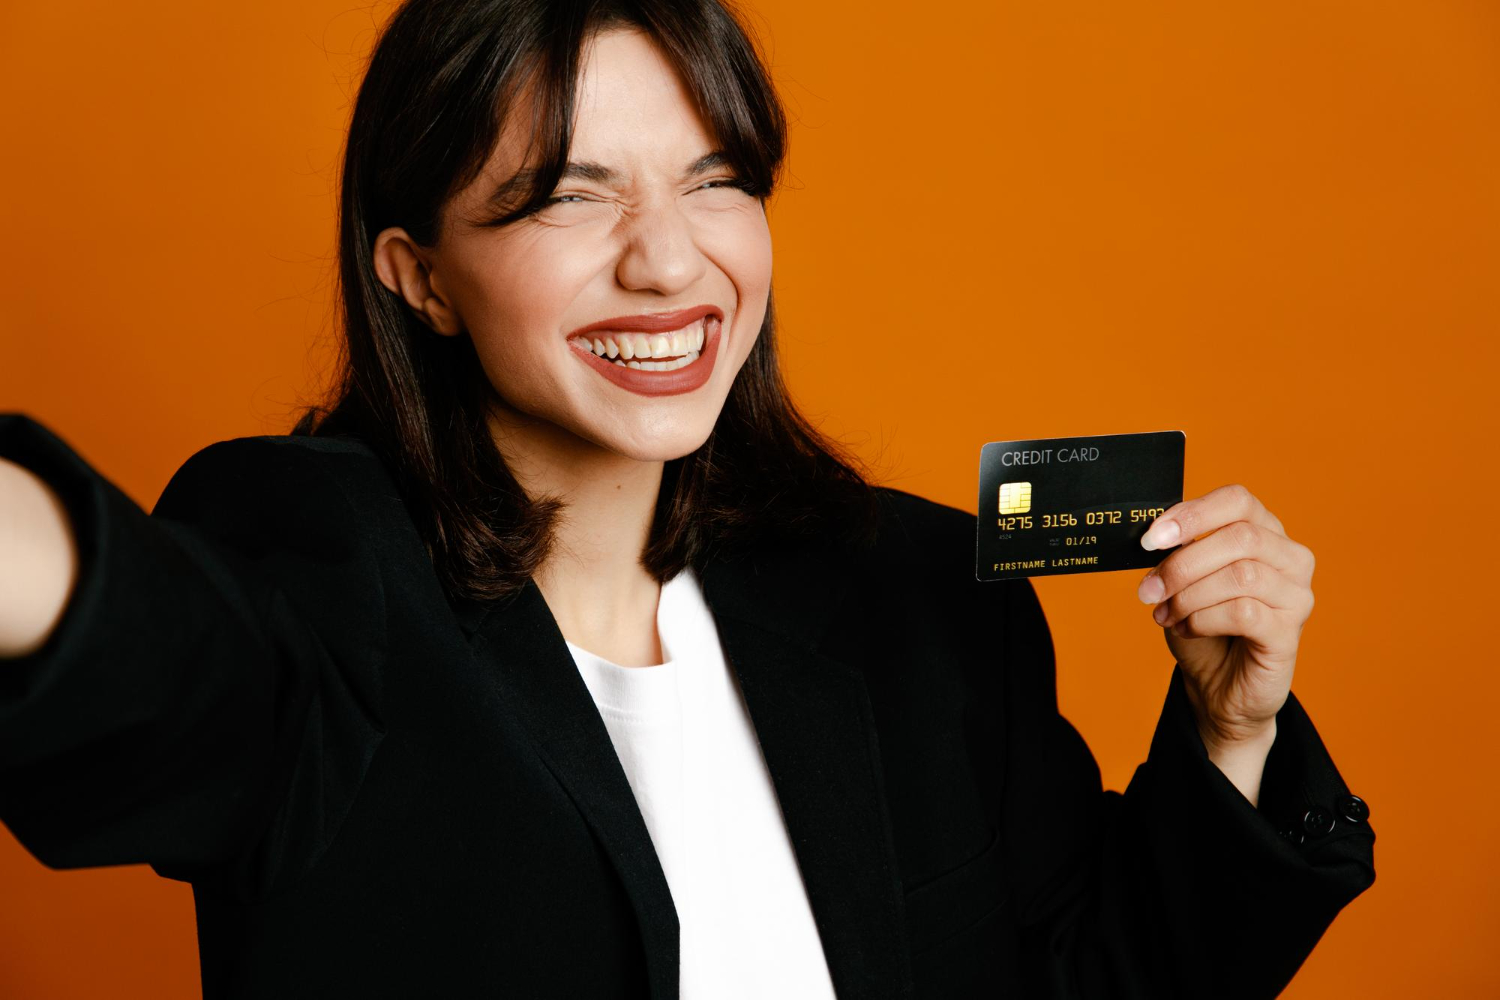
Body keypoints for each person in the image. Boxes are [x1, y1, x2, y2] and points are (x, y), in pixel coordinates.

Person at [0, 1, 1374, 997]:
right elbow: (168, 662)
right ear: (418, 274)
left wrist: (1229, 732)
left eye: (716, 181)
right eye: (566, 197)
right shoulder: (315, 560)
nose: (670, 262)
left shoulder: (915, 593)